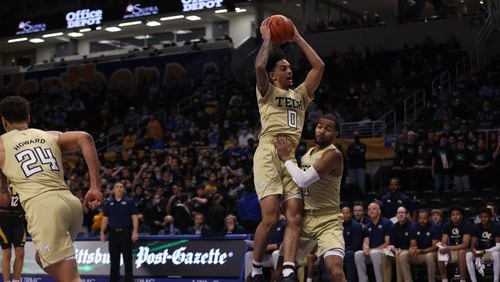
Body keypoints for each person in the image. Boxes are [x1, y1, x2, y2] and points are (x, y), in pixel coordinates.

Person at [250, 15, 325, 282]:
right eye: (283, 68)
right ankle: (256, 267)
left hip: (289, 157)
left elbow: (319, 65)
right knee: (270, 219)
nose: (289, 70)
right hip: (268, 154)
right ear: (273, 75)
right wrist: (268, 38)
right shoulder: (267, 91)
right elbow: (259, 66)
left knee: (295, 217)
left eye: (290, 67)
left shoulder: (301, 95)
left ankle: (290, 269)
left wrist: (296, 37)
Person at [0, 96, 103, 282]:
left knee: (70, 278)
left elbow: (4, 200)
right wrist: (95, 187)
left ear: (4, 122)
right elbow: (85, 138)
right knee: (43, 259)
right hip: (71, 205)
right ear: (28, 119)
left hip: (45, 209)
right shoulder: (49, 135)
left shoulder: (1, 145)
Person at [273, 114, 345, 281]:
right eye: (320, 126)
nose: (321, 131)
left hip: (328, 220)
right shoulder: (308, 153)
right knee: (280, 270)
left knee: (335, 270)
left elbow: (303, 180)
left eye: (328, 129)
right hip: (305, 219)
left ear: (336, 134)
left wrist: (285, 158)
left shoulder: (334, 154)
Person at [100, 181, 139, 282]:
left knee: (127, 260)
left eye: (121, 187)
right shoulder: (109, 203)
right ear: (113, 190)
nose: (119, 188)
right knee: (114, 261)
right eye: (117, 187)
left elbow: (134, 217)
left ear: (124, 189)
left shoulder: (129, 202)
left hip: (125, 233)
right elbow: (105, 218)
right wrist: (102, 232)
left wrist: (135, 232)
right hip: (113, 234)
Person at [354, 202, 393, 282]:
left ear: (379, 211)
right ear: (367, 213)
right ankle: (363, 280)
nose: (371, 211)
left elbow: (387, 243)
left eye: (374, 209)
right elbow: (366, 241)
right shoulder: (367, 226)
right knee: (358, 254)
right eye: (369, 209)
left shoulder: (387, 223)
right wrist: (365, 248)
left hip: (387, 251)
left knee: (374, 253)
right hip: (373, 252)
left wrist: (372, 250)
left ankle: (380, 280)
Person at [400, 209, 441, 282]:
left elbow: (435, 247)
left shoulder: (435, 227)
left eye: (424, 218)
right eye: (420, 218)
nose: (422, 220)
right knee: (403, 256)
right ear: (418, 218)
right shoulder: (413, 227)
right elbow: (413, 245)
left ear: (429, 218)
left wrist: (422, 250)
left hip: (431, 254)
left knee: (429, 256)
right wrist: (412, 250)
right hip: (419, 254)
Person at [437, 206, 472, 282]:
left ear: (461, 216)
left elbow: (465, 244)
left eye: (457, 214)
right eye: (453, 215)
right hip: (452, 251)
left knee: (461, 251)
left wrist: (448, 248)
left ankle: (462, 280)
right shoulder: (447, 225)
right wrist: (442, 246)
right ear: (450, 216)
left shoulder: (466, 225)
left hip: (466, 251)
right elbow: (444, 241)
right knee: (440, 251)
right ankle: (444, 279)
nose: (455, 216)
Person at [466, 208, 500, 282]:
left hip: (492, 252)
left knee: (497, 254)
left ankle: (496, 280)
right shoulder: (476, 227)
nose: (483, 219)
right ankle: (473, 280)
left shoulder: (496, 226)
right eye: (481, 217)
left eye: (486, 217)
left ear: (490, 217)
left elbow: (498, 246)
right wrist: (474, 251)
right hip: (480, 252)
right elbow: (472, 245)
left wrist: (485, 251)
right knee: (468, 255)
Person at [0, 186, 26, 282]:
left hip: (17, 218)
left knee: (20, 252)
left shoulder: (21, 178)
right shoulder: (3, 178)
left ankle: (16, 280)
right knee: (6, 252)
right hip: (2, 218)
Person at [342, 206, 362, 282]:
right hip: (342, 250)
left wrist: (343, 251)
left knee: (349, 254)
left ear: (351, 214)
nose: (345, 215)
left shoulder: (356, 226)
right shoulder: (339, 226)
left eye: (347, 213)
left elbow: (355, 245)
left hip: (352, 250)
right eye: (343, 213)